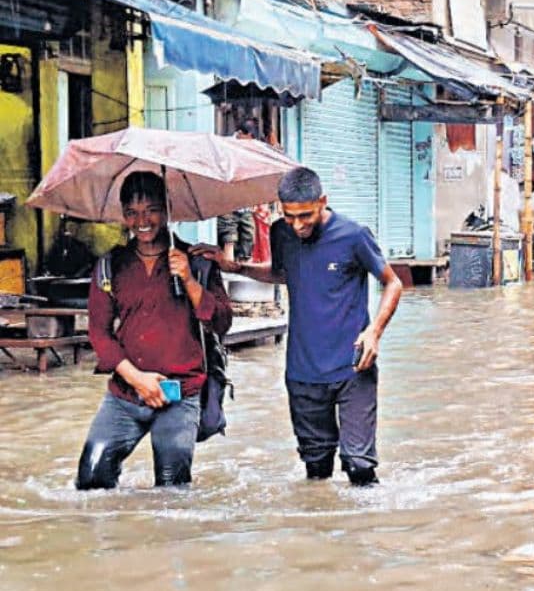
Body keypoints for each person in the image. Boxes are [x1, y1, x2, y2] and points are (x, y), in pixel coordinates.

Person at [193, 167, 403, 485]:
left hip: (353, 367)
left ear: (323, 202)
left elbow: (393, 283)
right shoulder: (281, 233)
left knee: (360, 467)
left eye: (305, 215)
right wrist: (234, 266)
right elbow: (282, 273)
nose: (298, 225)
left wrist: (374, 331)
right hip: (303, 373)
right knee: (316, 471)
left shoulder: (354, 234)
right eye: (290, 216)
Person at [76, 172, 234, 489]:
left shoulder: (197, 262)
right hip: (126, 393)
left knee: (171, 489)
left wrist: (188, 279)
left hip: (182, 392)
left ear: (166, 209)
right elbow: (99, 333)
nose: (142, 220)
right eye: (132, 212)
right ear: (123, 215)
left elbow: (221, 322)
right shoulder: (110, 265)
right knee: (91, 478)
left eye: (150, 209)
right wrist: (137, 379)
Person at [216, 119, 260, 264]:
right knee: (229, 235)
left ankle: (245, 268)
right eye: (248, 139)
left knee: (248, 235)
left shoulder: (253, 149)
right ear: (240, 134)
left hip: (245, 200)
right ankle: (228, 268)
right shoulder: (226, 146)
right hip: (227, 199)